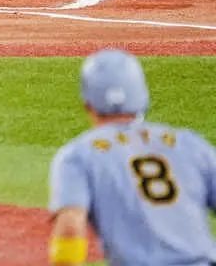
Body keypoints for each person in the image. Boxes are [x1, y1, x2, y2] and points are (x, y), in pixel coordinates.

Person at [48, 49, 216, 266]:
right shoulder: (190, 144)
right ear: (142, 95)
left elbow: (71, 225)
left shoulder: (78, 155)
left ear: (88, 104)